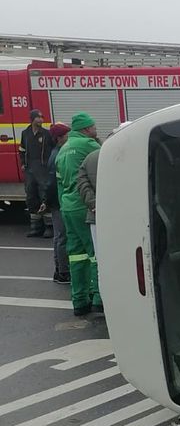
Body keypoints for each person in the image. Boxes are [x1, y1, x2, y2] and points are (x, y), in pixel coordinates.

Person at [56, 112, 102, 316]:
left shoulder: (63, 149)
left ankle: (79, 301)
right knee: (96, 253)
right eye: (93, 127)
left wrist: (63, 205)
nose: (95, 130)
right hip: (84, 206)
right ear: (85, 129)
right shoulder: (88, 145)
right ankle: (98, 298)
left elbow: (60, 183)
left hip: (67, 207)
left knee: (76, 255)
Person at [41, 123, 71, 284]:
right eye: (67, 135)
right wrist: (48, 201)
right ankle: (63, 272)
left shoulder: (56, 152)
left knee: (59, 237)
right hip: (58, 202)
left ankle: (59, 269)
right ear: (59, 138)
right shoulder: (58, 155)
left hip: (55, 201)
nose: (69, 137)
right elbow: (52, 182)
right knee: (62, 237)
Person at [19, 109, 55, 237]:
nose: (41, 119)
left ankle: (49, 227)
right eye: (38, 117)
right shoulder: (25, 133)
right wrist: (23, 163)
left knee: (44, 194)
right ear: (32, 119)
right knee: (31, 196)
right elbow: (22, 149)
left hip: (43, 169)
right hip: (30, 169)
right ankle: (36, 227)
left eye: (42, 117)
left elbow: (53, 149)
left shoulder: (46, 134)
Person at [77, 145, 100, 254]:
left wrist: (93, 204)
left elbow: (82, 183)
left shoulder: (90, 158)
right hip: (123, 217)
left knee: (100, 255)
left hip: (95, 215)